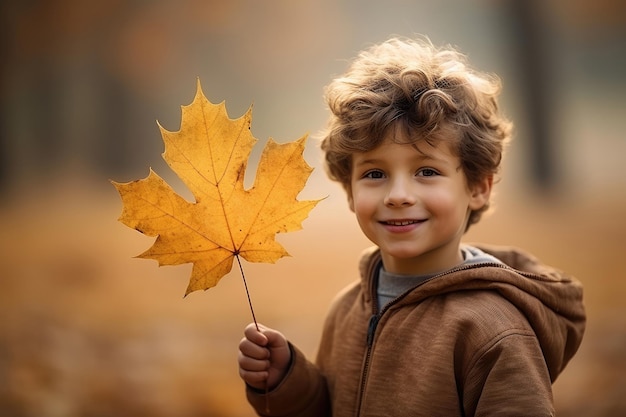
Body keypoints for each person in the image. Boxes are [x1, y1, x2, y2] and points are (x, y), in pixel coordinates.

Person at [237, 36, 586, 416]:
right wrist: (287, 379)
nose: (398, 195)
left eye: (426, 171)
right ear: (350, 191)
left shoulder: (491, 330)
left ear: (478, 187)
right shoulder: (348, 309)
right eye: (374, 173)